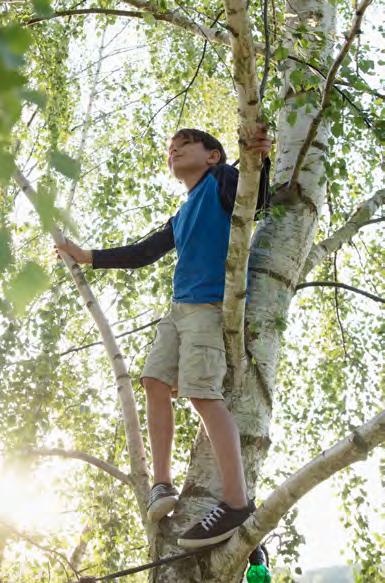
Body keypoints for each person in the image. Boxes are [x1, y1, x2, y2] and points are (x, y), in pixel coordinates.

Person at [57, 126, 272, 549]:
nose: (174, 151)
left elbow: (256, 199)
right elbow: (143, 253)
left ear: (212, 156)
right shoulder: (185, 210)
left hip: (210, 306)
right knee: (154, 380)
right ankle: (162, 484)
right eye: (170, 149)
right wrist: (87, 257)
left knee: (200, 393)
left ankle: (236, 501)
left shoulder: (223, 179)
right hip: (178, 309)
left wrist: (258, 160)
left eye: (185, 145)